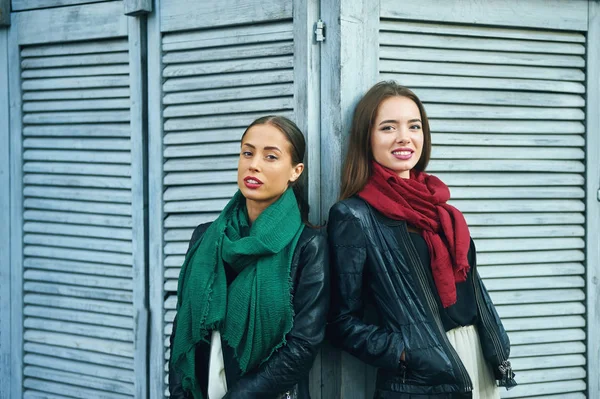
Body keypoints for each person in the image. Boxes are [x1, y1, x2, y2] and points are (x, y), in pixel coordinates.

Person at [327, 81, 516, 399]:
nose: (404, 137)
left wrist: (497, 344)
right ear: (366, 137)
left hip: (476, 365)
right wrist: (405, 351)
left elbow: (472, 292)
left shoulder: (443, 210)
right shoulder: (354, 216)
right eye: (388, 127)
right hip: (422, 376)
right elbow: (340, 321)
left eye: (414, 126)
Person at [169, 115, 329, 399]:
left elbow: (302, 345)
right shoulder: (206, 237)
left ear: (296, 171)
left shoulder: (307, 246)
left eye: (271, 156)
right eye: (247, 152)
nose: (254, 164)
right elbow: (183, 324)